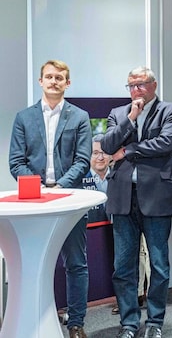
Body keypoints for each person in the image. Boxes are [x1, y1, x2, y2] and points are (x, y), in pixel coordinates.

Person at [9, 60, 91, 338]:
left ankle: (76, 323)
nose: (53, 81)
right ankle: (38, 317)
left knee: (76, 263)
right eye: (49, 77)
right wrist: (40, 189)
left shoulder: (79, 117)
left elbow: (82, 161)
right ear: (40, 81)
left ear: (67, 83)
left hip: (71, 201)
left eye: (59, 77)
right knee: (36, 261)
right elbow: (16, 162)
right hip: (34, 202)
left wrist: (60, 189)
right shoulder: (24, 117)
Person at [101, 66, 172, 338]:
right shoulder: (118, 114)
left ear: (154, 84)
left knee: (159, 265)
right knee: (123, 266)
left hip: (156, 196)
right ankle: (128, 323)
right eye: (131, 85)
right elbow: (108, 146)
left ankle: (155, 322)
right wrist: (131, 117)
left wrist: (129, 151)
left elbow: (166, 143)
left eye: (141, 84)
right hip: (123, 198)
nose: (136, 90)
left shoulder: (171, 111)